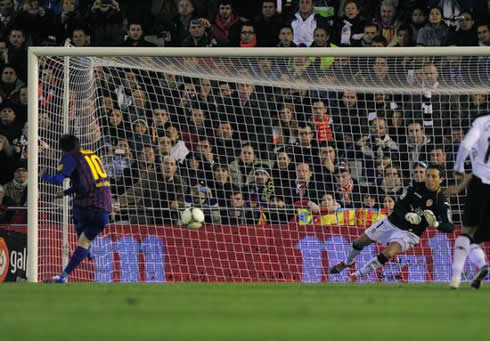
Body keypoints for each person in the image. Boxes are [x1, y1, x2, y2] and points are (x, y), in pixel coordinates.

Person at [329, 164, 454, 281]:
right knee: (358, 242)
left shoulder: (441, 201)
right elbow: (399, 205)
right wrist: (407, 214)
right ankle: (348, 262)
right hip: (391, 222)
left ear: (441, 179)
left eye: (434, 176)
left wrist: (436, 224)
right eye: (428, 175)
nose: (429, 179)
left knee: (388, 253)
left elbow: (449, 227)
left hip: (410, 234)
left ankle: (355, 276)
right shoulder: (416, 187)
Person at [40, 134, 112, 283]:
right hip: (105, 207)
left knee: (77, 213)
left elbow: (58, 180)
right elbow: (86, 183)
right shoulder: (92, 154)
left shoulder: (70, 157)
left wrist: (43, 176)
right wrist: (66, 193)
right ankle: (65, 274)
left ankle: (68, 272)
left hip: (88, 206)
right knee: (84, 240)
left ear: (62, 148)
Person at [450, 114, 490, 289]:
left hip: (480, 182)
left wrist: (457, 169)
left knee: (467, 232)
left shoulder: (481, 123)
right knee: (475, 237)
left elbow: (465, 145)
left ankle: (455, 278)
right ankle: (481, 267)